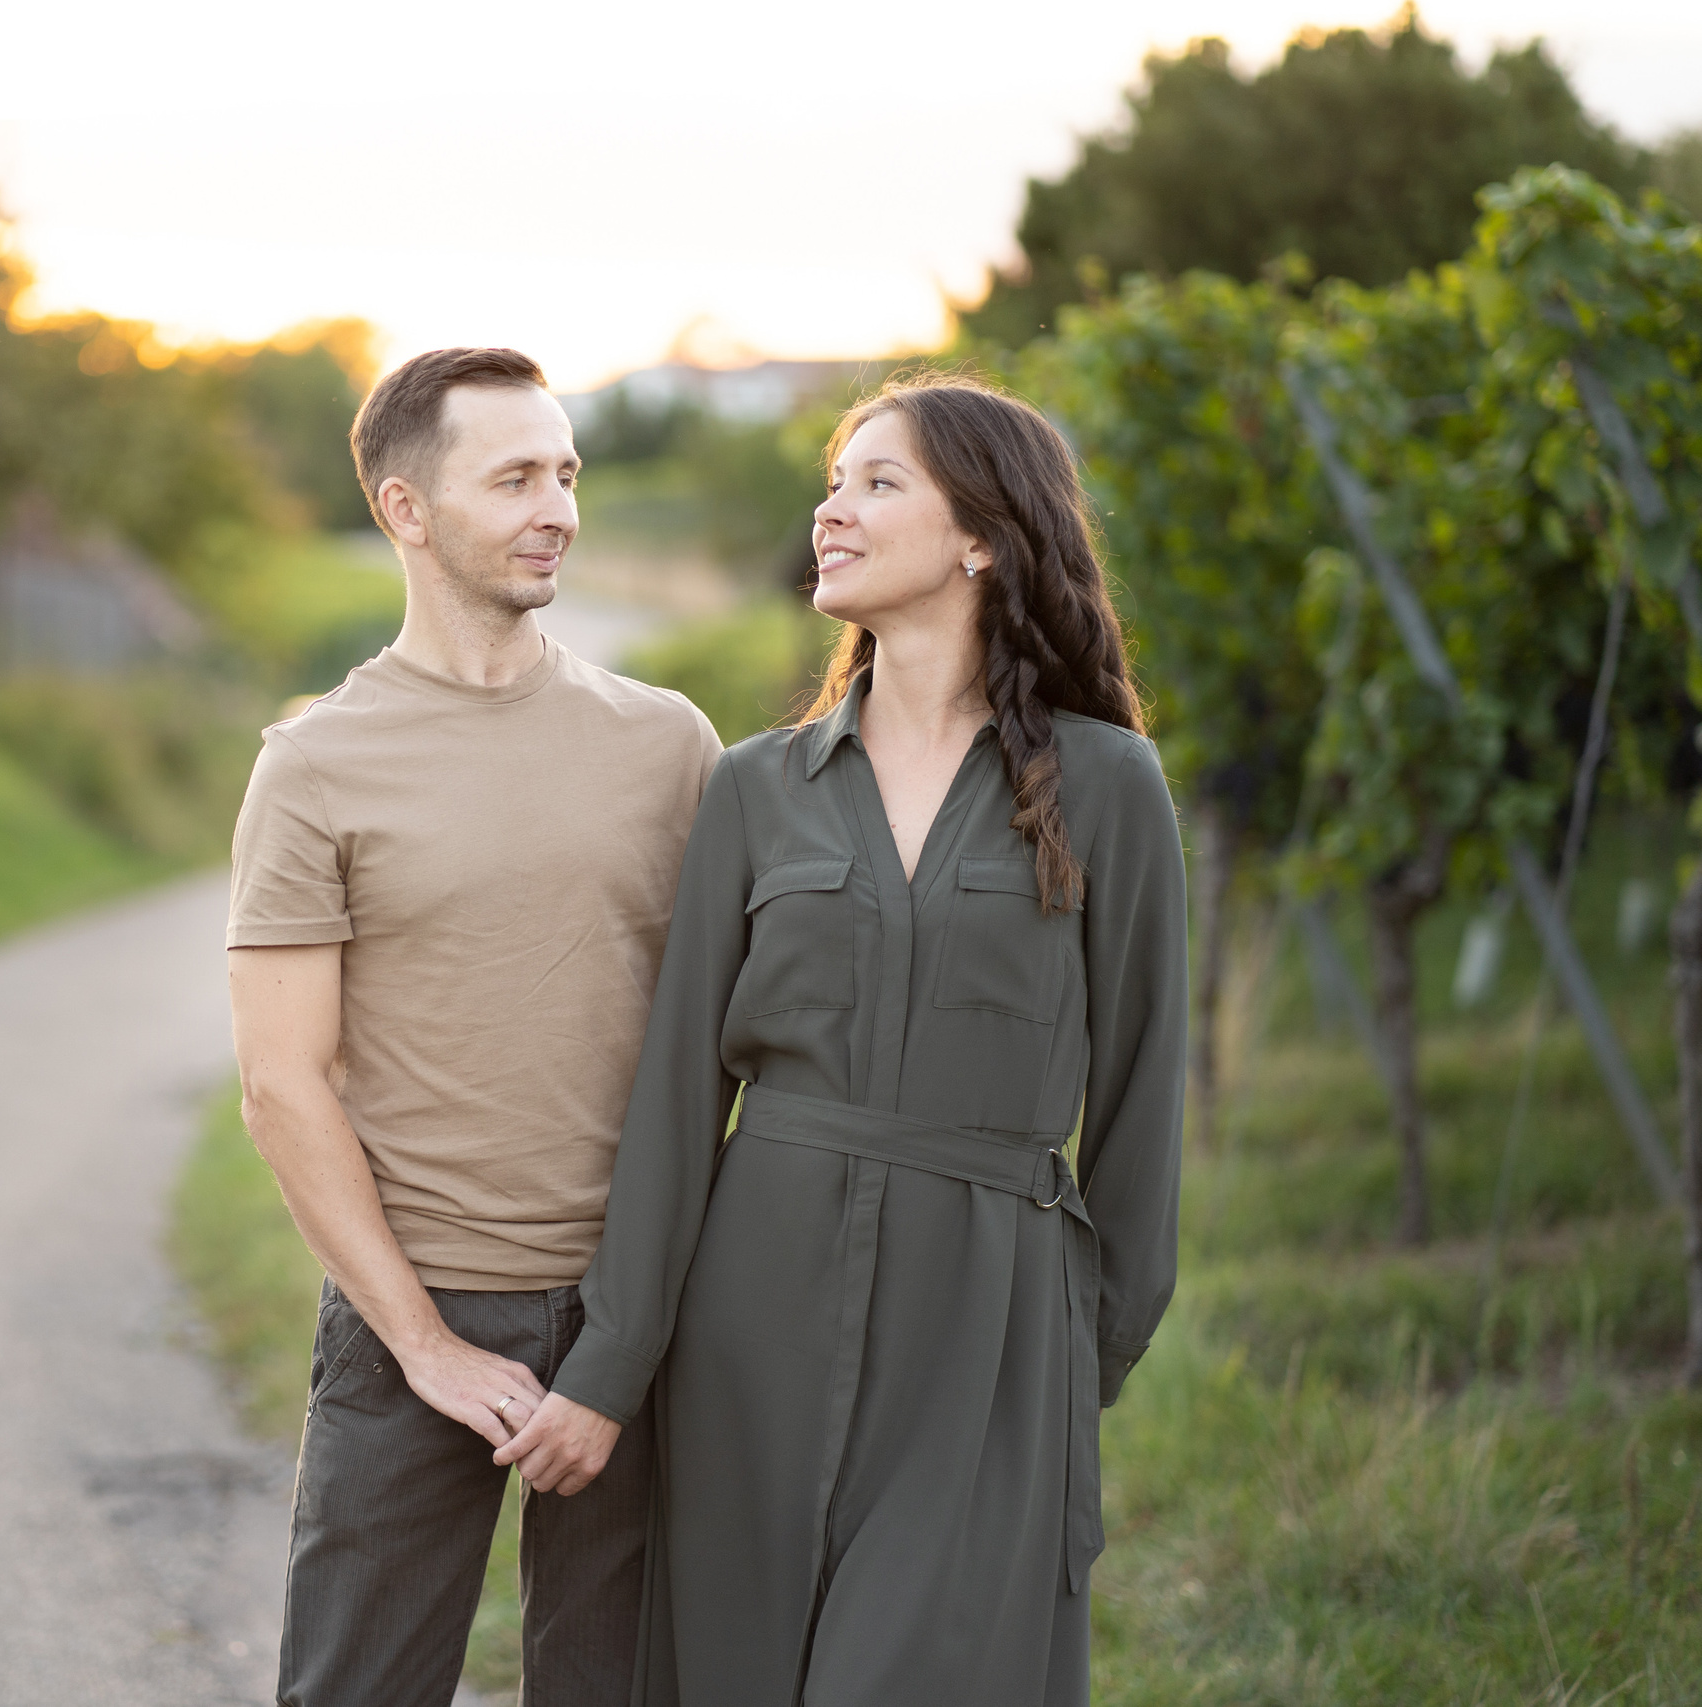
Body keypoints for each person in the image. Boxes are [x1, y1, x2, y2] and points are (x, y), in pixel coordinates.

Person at [497, 371, 1188, 1705]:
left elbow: (1147, 1102)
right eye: (832, 482)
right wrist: (612, 1362)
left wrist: (1077, 1361)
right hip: (753, 1320)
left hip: (990, 1333)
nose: (833, 511)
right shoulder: (758, 788)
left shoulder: (1109, 788)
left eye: (879, 482)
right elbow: (677, 1102)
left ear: (982, 535)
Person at [226, 347, 725, 1707]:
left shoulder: (671, 745)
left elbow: (726, 1037)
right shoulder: (315, 765)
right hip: (416, 1315)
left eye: (565, 472)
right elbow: (284, 1085)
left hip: (637, 1321)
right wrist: (427, 1348)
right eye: (513, 478)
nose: (556, 505)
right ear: (406, 509)